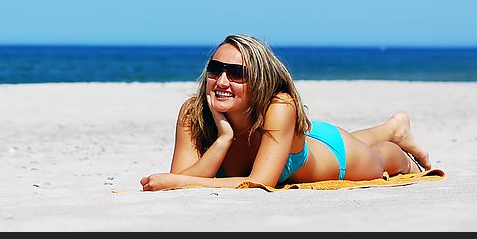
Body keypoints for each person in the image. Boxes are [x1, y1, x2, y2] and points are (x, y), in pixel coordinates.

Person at [140, 34, 431, 191]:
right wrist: (222, 140)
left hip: (338, 156)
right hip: (292, 138)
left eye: (237, 73)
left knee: (381, 158)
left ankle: (396, 140)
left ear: (260, 80)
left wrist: (179, 181)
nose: (222, 81)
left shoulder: (280, 106)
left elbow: (260, 182)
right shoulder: (194, 112)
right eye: (216, 70)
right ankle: (392, 127)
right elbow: (179, 178)